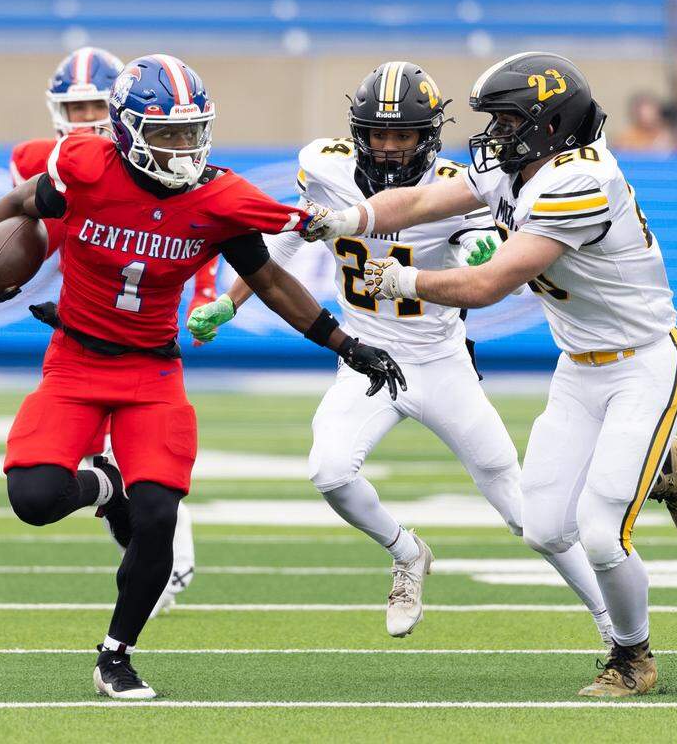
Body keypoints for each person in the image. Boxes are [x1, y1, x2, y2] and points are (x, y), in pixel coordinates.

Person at [0, 53, 406, 700]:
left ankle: (117, 654)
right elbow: (22, 201)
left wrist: (343, 342)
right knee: (34, 499)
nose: (183, 147)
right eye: (167, 134)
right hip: (75, 361)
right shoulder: (84, 165)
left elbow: (270, 279)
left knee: (159, 516)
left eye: (193, 131)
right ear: (128, 130)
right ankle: (105, 485)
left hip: (151, 372)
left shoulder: (219, 196)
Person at [299, 52, 677, 698]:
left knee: (601, 534)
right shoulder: (520, 168)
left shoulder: (579, 181)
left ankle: (632, 657)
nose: (496, 133)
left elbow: (490, 282)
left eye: (509, 120)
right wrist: (354, 220)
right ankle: (656, 469)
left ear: (550, 125)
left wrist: (408, 278)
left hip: (644, 364)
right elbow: (425, 199)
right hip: (579, 367)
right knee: (544, 526)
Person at [187, 61, 614, 644]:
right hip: (366, 357)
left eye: (403, 135)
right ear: (357, 133)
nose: (388, 149)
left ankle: (609, 619)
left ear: (428, 136)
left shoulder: (456, 187)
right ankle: (407, 552)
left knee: (522, 510)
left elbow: (482, 270)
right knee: (330, 472)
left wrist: (483, 252)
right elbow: (289, 234)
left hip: (440, 363)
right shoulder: (325, 165)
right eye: (378, 134)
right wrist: (233, 302)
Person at [7, 46, 206, 616]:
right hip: (83, 324)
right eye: (76, 107)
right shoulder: (43, 159)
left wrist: (212, 297)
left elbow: (207, 220)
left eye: (99, 103)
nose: (88, 117)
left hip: (145, 323)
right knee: (63, 472)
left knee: (153, 478)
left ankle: (159, 553)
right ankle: (117, 502)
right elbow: (42, 234)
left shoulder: (165, 154)